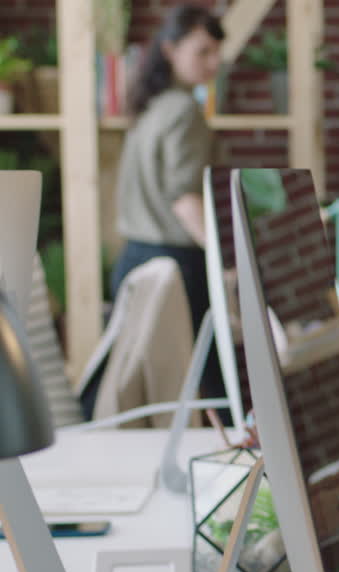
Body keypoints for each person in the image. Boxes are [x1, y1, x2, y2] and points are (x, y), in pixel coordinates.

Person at [104, 5, 223, 411]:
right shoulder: (184, 110)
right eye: (202, 51)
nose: (214, 62)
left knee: (148, 393)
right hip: (177, 267)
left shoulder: (150, 106)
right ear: (170, 49)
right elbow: (183, 196)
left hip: (135, 260)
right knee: (209, 384)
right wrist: (225, 256)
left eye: (216, 51)